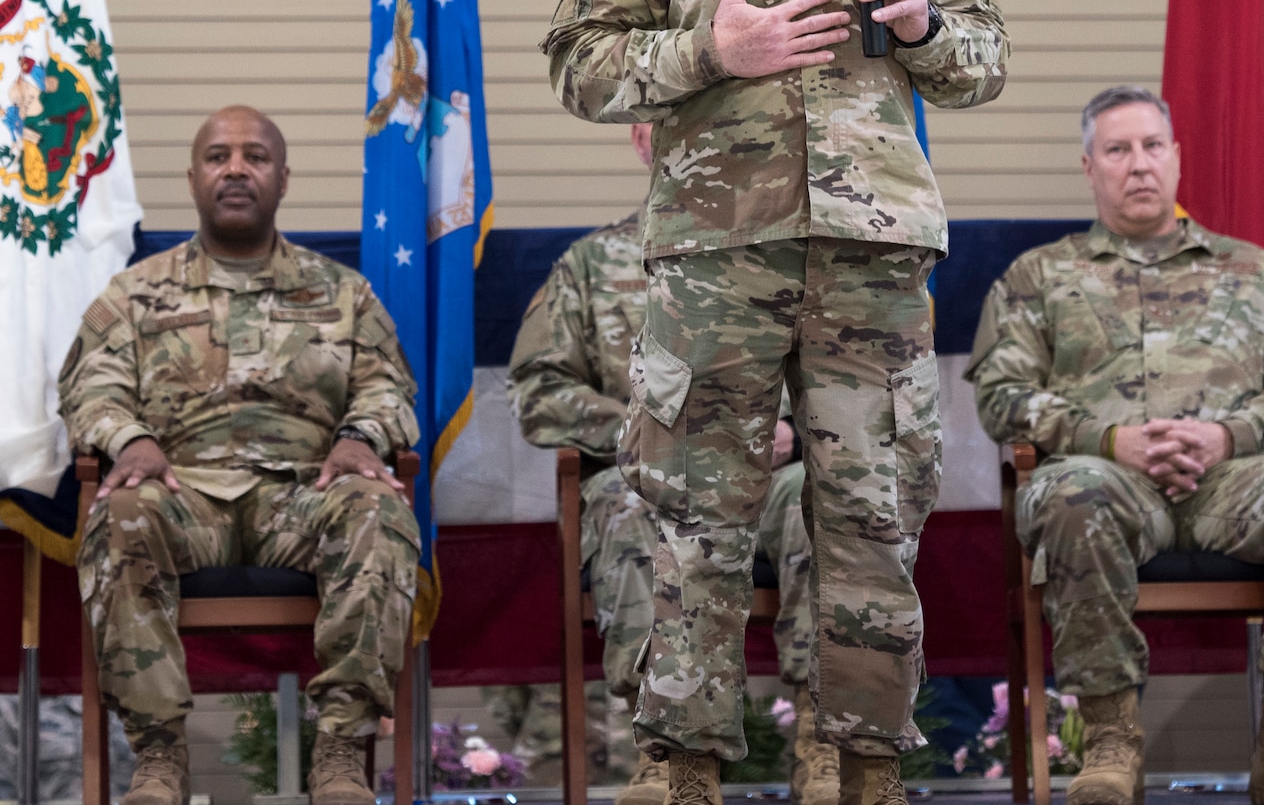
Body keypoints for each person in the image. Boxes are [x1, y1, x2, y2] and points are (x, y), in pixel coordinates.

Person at [542, 0, 1009, 805]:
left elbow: (982, 62)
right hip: (715, 251)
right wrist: (713, 46)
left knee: (872, 510)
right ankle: (682, 767)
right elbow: (578, 65)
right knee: (692, 513)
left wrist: (920, 29)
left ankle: (859, 770)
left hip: (870, 253)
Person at [967, 85, 1264, 805]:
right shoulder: (1038, 276)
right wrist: (1108, 439)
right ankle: (1112, 746)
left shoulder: (1249, 269)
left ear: (1178, 159)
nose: (1139, 165)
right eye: (1118, 150)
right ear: (1088, 167)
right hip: (1106, 483)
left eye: (1153, 146)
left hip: (1234, 485)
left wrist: (1229, 435)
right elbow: (1001, 397)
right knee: (1068, 496)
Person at [60, 107, 419, 805]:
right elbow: (88, 387)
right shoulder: (135, 293)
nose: (235, 169)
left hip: (303, 495)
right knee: (120, 515)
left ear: (282, 178)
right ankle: (160, 756)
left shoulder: (342, 292)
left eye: (254, 156)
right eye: (218, 156)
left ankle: (343, 749)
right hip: (182, 491)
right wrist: (128, 439)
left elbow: (389, 385)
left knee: (379, 508)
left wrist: (360, 436)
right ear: (192, 177)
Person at [506, 123, 826, 805]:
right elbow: (538, 395)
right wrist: (642, 426)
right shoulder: (590, 266)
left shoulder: (788, 255)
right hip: (645, 482)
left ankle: (822, 745)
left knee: (822, 503)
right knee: (626, 514)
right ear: (643, 138)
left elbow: (843, 377)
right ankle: (667, 753)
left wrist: (795, 430)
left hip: (764, 481)